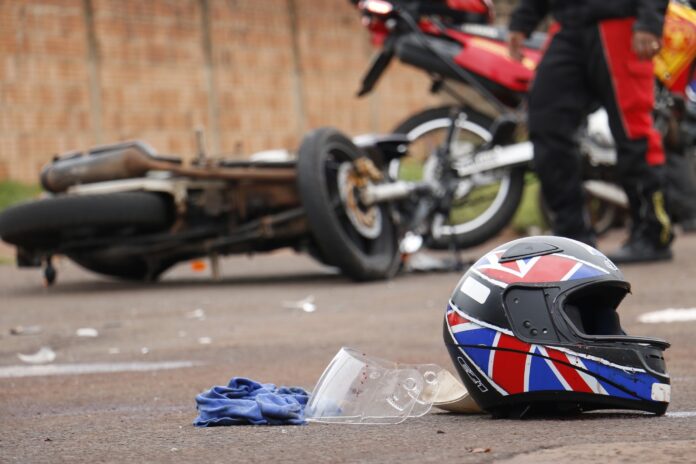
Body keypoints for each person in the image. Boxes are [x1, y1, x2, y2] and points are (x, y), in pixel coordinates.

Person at [508, 0, 674, 263]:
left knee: (633, 131)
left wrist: (649, 22)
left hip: (621, 25)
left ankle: (652, 233)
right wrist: (522, 21)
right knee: (546, 123)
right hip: (567, 26)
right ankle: (571, 235)